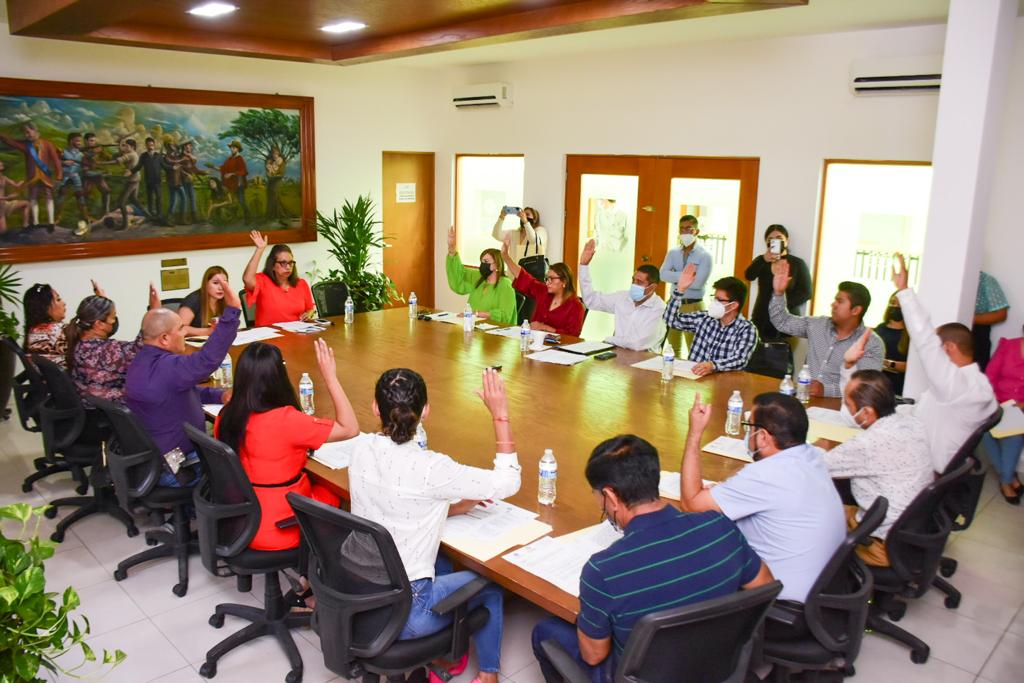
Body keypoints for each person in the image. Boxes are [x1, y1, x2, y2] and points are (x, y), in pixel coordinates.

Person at [531, 434, 772, 683]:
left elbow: (593, 655)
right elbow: (764, 586)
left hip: (641, 676)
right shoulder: (720, 526)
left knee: (545, 631)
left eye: (598, 497)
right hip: (719, 666)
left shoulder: (602, 571)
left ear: (611, 497)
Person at [347, 367, 521, 683]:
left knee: (441, 560)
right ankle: (488, 675)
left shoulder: (359, 447)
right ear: (425, 411)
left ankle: (447, 656)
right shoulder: (431, 468)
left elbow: (398, 499)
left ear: (375, 407)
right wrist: (500, 415)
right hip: (407, 613)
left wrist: (449, 507)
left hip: (355, 594)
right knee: (492, 586)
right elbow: (509, 482)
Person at [679, 393, 845, 602]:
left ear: (764, 437)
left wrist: (695, 433)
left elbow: (691, 504)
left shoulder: (766, 476)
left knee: (695, 540)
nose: (747, 434)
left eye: (750, 427)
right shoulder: (812, 455)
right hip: (823, 588)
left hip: (780, 600)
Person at [215, 339, 357, 548]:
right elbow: (350, 428)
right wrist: (330, 377)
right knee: (336, 491)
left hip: (239, 520)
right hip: (280, 526)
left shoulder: (227, 414)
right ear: (277, 377)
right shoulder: (287, 420)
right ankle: (319, 569)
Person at [125, 275, 240, 488]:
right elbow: (207, 360)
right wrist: (232, 312)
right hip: (177, 468)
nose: (184, 332)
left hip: (153, 458)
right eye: (180, 329)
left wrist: (218, 395)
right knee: (241, 459)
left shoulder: (141, 359)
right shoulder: (168, 367)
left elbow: (181, 389)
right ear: (165, 339)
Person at [822, 343, 933, 566]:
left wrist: (814, 447)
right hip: (907, 528)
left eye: (848, 405)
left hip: (879, 543)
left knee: (809, 510)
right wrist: (848, 367)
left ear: (867, 412)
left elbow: (815, 465)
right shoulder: (909, 420)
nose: (847, 409)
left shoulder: (869, 444)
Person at [891, 254, 998, 473]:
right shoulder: (976, 382)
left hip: (922, 466)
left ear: (948, 348)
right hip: (928, 453)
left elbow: (925, 340)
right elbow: (929, 413)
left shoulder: (956, 387)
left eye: (939, 348)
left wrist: (904, 291)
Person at [769, 260, 883, 397]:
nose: (833, 305)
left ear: (856, 310)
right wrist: (779, 293)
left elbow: (866, 387)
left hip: (842, 408)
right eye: (835, 300)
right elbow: (782, 322)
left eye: (840, 302)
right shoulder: (817, 324)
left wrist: (826, 390)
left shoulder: (871, 343)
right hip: (805, 398)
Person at [663, 270, 758, 375]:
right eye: (714, 298)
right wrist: (680, 290)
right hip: (693, 377)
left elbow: (740, 359)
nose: (714, 303)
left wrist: (713, 365)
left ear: (733, 305)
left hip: (721, 383)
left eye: (719, 299)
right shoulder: (705, 318)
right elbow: (670, 320)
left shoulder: (747, 329)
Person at [577, 238, 665, 351]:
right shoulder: (623, 297)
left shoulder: (659, 308)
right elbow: (591, 301)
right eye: (633, 280)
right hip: (618, 354)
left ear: (652, 287)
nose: (634, 285)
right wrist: (584, 266)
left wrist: (610, 340)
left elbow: (637, 344)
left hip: (645, 360)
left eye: (639, 282)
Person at [501, 236, 585, 336]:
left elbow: (573, 336)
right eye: (547, 278)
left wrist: (544, 327)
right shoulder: (544, 291)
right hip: (534, 342)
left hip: (558, 349)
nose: (547, 282)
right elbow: (524, 277)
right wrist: (506, 256)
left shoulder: (576, 306)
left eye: (552, 279)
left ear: (564, 282)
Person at [743, 224, 812, 342]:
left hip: (786, 320)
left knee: (781, 357)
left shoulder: (797, 263)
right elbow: (749, 276)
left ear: (787, 240)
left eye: (779, 239)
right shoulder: (761, 260)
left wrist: (779, 304)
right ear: (766, 242)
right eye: (770, 240)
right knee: (756, 357)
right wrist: (763, 259)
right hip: (761, 318)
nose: (775, 242)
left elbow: (806, 293)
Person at [983, 326, 1024, 503]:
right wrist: (995, 403)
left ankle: (1006, 481)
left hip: (1021, 408)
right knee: (985, 432)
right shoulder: (1007, 346)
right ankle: (1009, 477)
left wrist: (1020, 406)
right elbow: (989, 376)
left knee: (1014, 434)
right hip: (996, 403)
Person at [660, 215, 712, 355]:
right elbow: (662, 275)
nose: (685, 232)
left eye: (689, 229)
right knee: (672, 348)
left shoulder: (705, 255)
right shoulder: (673, 252)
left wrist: (675, 275)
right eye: (682, 229)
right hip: (674, 304)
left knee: (694, 350)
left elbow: (698, 284)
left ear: (697, 231)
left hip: (694, 306)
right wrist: (686, 276)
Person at [445, 224, 518, 325]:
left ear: (497, 265)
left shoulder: (505, 284)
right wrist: (452, 249)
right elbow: (459, 277)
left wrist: (478, 314)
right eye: (481, 261)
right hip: (474, 327)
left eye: (486, 261)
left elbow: (505, 315)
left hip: (496, 333)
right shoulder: (478, 277)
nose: (483, 264)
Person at [242, 230, 316, 327]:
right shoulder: (262, 280)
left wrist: (309, 314)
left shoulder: (301, 283)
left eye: (290, 263)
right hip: (269, 335)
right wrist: (259, 250)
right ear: (272, 265)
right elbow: (247, 279)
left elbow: (310, 308)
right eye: (283, 263)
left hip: (296, 334)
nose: (288, 267)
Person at [0, 120, 62, 228]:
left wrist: (59, 176)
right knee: (33, 198)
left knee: (48, 196)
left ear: (35, 130)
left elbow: (56, 161)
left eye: (28, 132)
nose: (26, 135)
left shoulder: (48, 144)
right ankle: (36, 223)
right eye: (25, 133)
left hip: (45, 177)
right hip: (32, 177)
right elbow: (10, 142)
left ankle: (51, 222)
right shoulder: (26, 146)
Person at [22, 283, 68, 368]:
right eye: (58, 299)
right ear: (45, 307)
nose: (64, 303)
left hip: (47, 380)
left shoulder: (34, 330)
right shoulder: (58, 330)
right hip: (64, 380)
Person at [972, 271, 1009, 371]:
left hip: (976, 336)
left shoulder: (985, 280)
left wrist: (967, 318)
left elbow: (1001, 314)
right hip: (947, 333)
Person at [875, 292, 909, 396]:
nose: (895, 307)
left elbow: (911, 366)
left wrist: (888, 363)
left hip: (898, 386)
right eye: (893, 303)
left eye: (900, 305)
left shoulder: (909, 334)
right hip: (877, 382)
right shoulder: (880, 328)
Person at [179, 265, 230, 336]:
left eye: (224, 283)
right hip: (192, 345)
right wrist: (208, 331)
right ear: (206, 284)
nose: (221, 288)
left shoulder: (226, 300)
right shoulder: (193, 300)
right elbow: (180, 329)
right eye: (215, 283)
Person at [215, 139, 249, 223]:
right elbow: (223, 168)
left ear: (238, 149)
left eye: (234, 148)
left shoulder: (240, 158)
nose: (232, 149)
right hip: (231, 184)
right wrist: (214, 167)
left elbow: (243, 171)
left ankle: (248, 218)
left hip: (238, 183)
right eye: (231, 148)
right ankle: (234, 218)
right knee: (232, 201)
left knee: (241, 201)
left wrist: (231, 174)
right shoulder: (230, 159)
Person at [0, 159, 31, 232]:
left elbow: (15, 185)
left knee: (26, 204)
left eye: (2, 165)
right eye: (0, 165)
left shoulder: (4, 178)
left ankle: (25, 225)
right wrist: (8, 197)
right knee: (3, 231)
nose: (2, 166)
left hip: (5, 204)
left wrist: (22, 182)